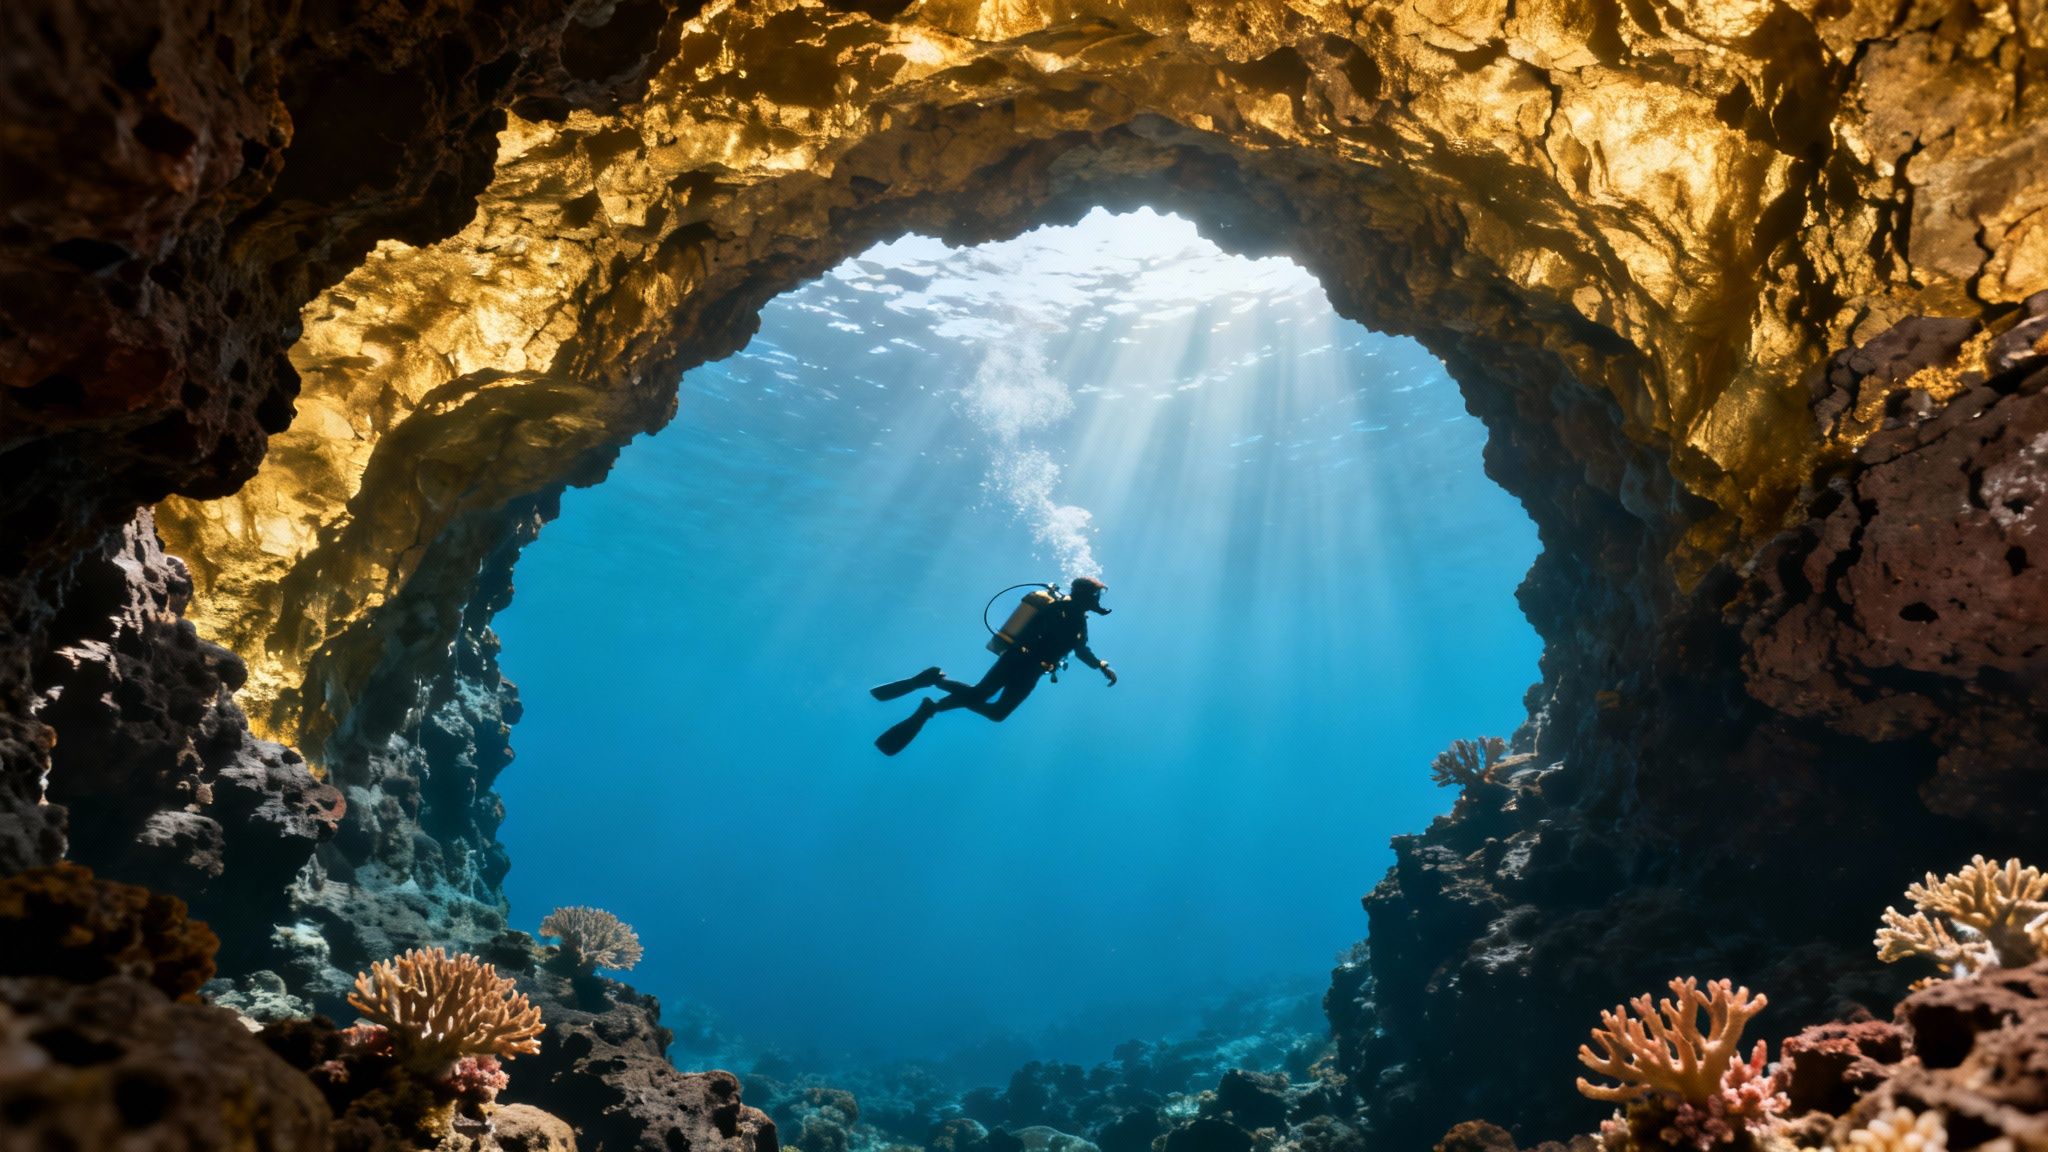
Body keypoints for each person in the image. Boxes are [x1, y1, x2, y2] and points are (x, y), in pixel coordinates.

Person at [871, 577, 1118, 756]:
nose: (1098, 600)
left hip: (1033, 669)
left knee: (997, 712)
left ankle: (932, 700)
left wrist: (1101, 665)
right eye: (1096, 595)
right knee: (981, 695)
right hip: (1018, 659)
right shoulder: (1063, 610)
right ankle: (934, 687)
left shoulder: (1076, 618)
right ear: (1085, 595)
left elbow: (1080, 650)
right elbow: (1061, 639)